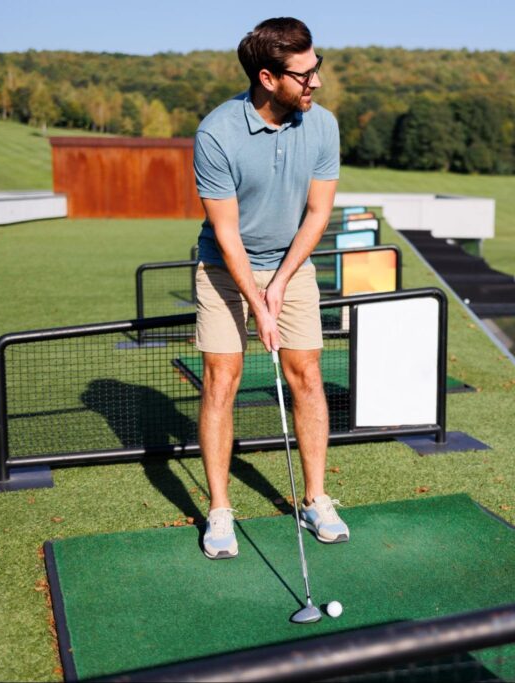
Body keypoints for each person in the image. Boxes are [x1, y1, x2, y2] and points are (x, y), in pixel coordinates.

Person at [192, 17, 348, 559]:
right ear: (267, 77)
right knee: (222, 379)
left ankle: (316, 498)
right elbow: (227, 233)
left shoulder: (322, 125)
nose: (317, 84)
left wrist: (279, 283)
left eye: (316, 68)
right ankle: (219, 511)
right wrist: (256, 300)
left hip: (293, 264)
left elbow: (318, 212)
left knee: (306, 374)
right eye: (304, 76)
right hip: (223, 267)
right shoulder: (216, 134)